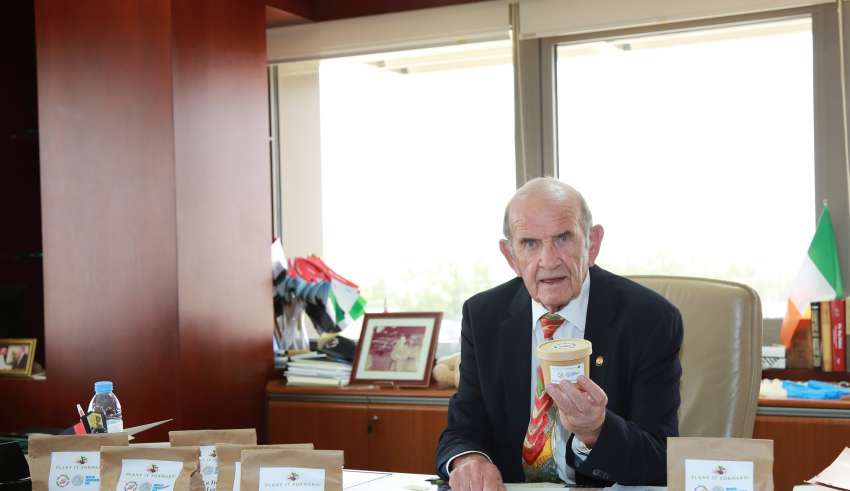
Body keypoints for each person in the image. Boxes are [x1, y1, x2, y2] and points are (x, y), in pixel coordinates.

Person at [435, 177, 683, 489]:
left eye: (563, 238)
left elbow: (660, 458)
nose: (549, 261)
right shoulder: (483, 316)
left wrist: (596, 430)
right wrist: (469, 459)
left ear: (592, 243)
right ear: (510, 256)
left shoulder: (650, 320)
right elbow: (463, 428)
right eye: (530, 243)